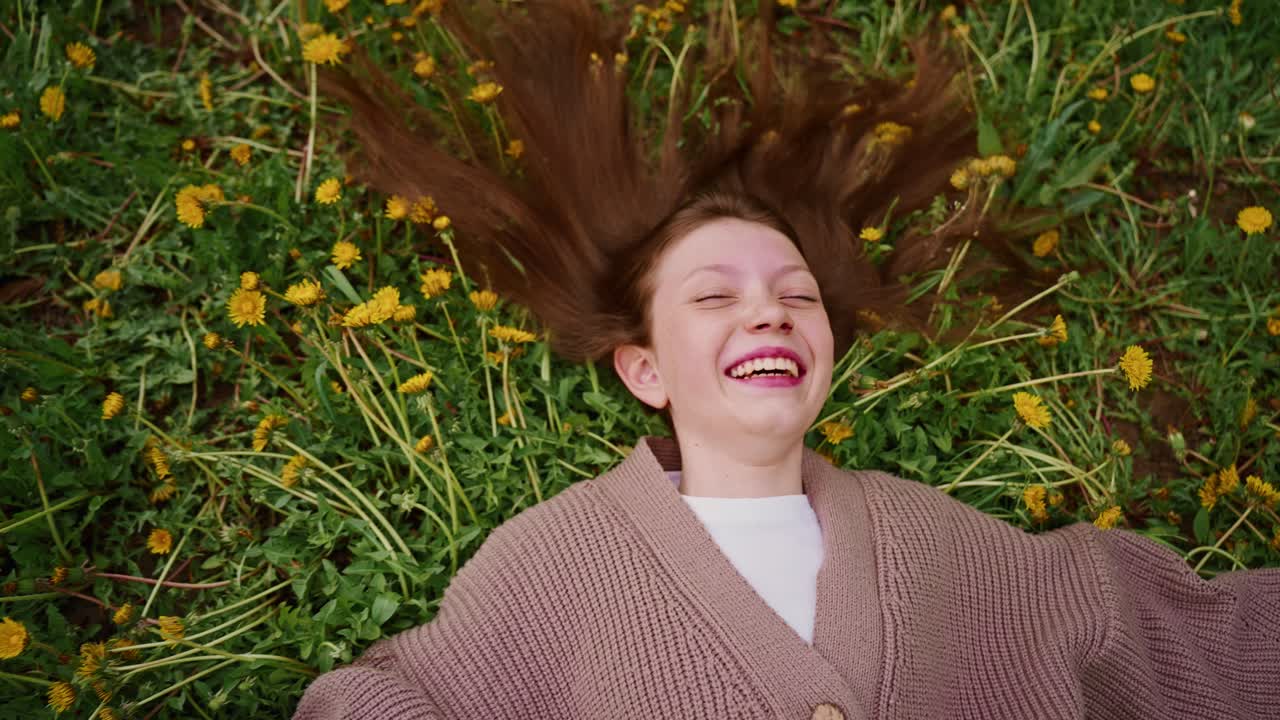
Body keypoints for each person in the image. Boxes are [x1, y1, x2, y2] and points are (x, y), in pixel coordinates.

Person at [296, 1, 1280, 718]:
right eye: (715, 296)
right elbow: (392, 698)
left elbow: (1176, 642)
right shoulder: (550, 565)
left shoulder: (932, 539)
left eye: (796, 295)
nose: (767, 312)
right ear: (644, 370)